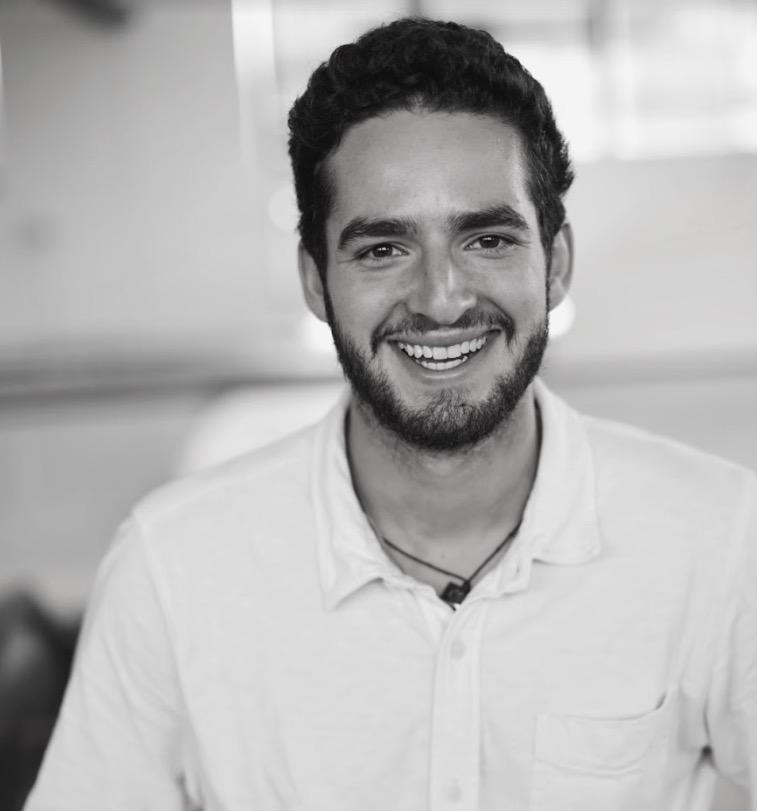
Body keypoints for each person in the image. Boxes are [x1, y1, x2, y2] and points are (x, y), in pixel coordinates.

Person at [25, 17, 756, 811]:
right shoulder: (171, 567)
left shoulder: (718, 539)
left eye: (486, 239)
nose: (440, 299)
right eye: (382, 249)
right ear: (315, 281)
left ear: (555, 264)